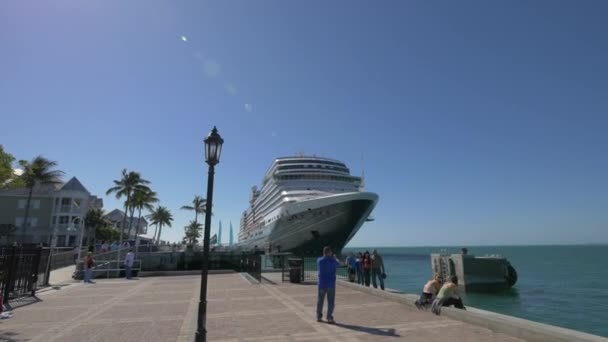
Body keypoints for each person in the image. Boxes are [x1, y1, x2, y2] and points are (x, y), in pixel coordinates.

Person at [316, 246, 341, 324]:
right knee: (331, 302)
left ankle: (318, 316)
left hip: (322, 284)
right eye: (331, 252)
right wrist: (335, 258)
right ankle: (329, 317)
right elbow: (339, 264)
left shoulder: (319, 260)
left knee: (320, 300)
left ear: (324, 252)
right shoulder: (333, 260)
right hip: (330, 284)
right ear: (329, 252)